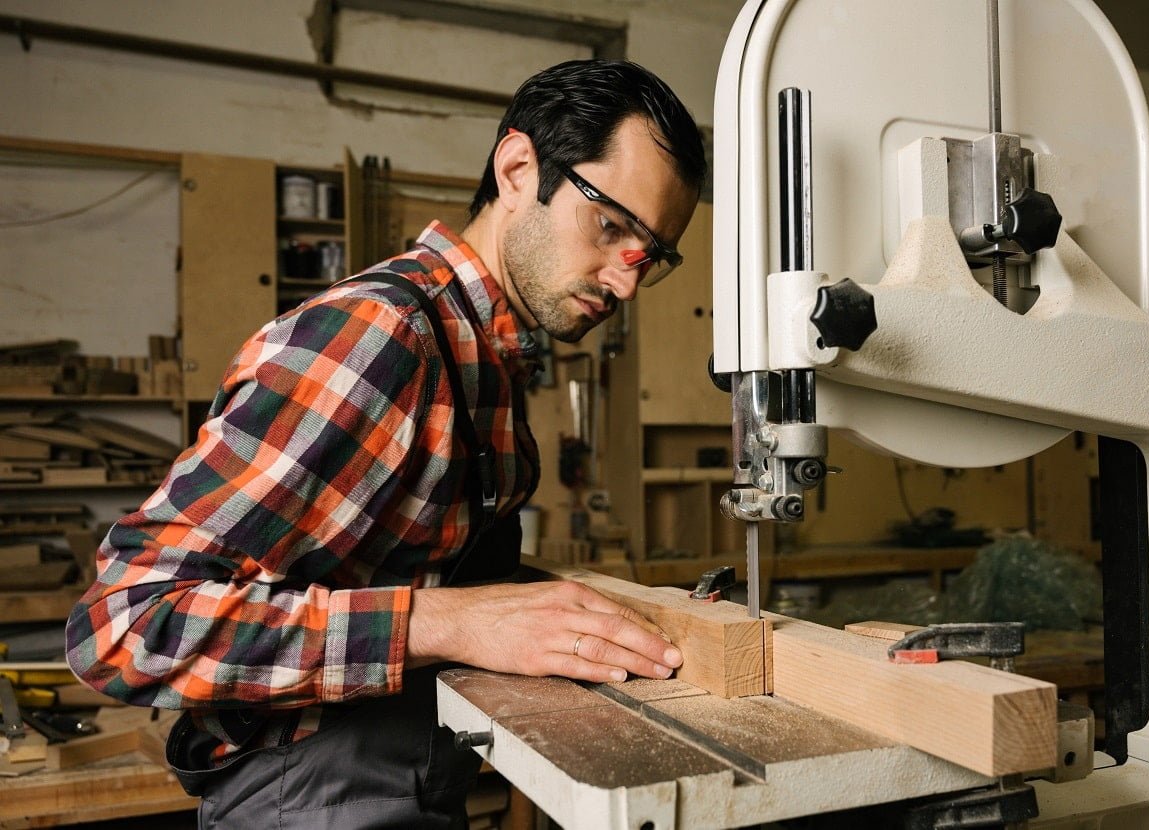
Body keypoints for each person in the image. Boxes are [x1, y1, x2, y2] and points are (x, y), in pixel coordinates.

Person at [65, 59, 707, 828]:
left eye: (652, 256)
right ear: (517, 168)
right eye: (611, 227)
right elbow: (126, 624)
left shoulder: (487, 354)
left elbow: (407, 563)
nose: (627, 282)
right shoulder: (382, 339)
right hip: (307, 796)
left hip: (402, 780)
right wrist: (458, 623)